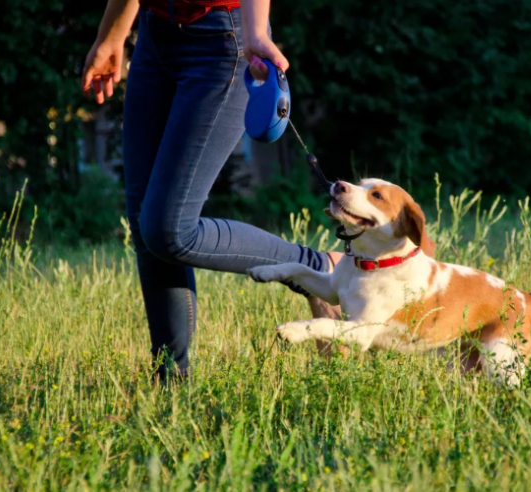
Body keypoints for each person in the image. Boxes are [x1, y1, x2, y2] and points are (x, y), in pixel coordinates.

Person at [82, 0, 342, 380]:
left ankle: (315, 267)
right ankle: (170, 382)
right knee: (145, 225)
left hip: (223, 40)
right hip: (156, 37)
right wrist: (114, 34)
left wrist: (256, 31)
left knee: (170, 230)